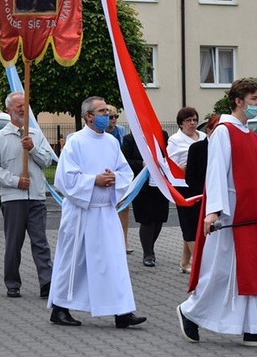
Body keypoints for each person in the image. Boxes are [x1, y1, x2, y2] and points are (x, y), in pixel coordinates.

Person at [177, 78, 257, 348]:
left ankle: (254, 327)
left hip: (253, 215)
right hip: (231, 216)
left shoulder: (253, 138)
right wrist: (214, 212)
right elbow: (216, 172)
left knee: (252, 269)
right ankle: (191, 311)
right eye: (255, 99)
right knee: (221, 272)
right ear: (239, 101)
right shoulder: (224, 131)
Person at [48, 96, 146, 329]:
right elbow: (64, 179)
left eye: (108, 112)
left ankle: (121, 311)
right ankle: (60, 309)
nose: (107, 116)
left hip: (105, 212)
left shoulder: (112, 143)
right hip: (81, 213)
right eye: (102, 112)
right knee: (74, 260)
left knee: (114, 261)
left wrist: (114, 180)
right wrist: (94, 181)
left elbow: (125, 172)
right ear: (88, 116)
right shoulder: (76, 142)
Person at [0, 92, 55, 298]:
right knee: (14, 243)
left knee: (40, 242)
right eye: (18, 106)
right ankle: (12, 283)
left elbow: (48, 161)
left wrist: (32, 149)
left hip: (36, 197)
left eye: (25, 105)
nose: (22, 109)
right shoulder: (0, 138)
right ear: (8, 111)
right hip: (13, 198)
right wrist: (15, 181)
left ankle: (47, 282)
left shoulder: (35, 134)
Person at [122, 129, 170, 267]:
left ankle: (150, 246)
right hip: (142, 185)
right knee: (147, 219)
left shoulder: (162, 135)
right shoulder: (130, 140)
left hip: (160, 183)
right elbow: (125, 161)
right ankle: (148, 253)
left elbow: (167, 154)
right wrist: (141, 164)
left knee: (159, 219)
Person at [167, 107, 207, 273]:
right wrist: (187, 167)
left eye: (195, 120)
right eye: (189, 120)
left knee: (196, 222)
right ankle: (201, 264)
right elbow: (169, 165)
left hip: (201, 184)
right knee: (189, 223)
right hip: (184, 187)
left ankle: (185, 262)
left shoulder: (203, 137)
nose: (192, 123)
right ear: (181, 123)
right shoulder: (175, 140)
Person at [104, 105, 131, 254]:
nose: (113, 120)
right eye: (110, 117)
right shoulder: (99, 132)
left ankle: (124, 241)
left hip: (118, 172)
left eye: (116, 117)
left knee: (124, 207)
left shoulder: (120, 131)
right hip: (104, 171)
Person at [184, 115, 220, 204]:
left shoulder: (228, 147)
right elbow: (190, 177)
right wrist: (204, 193)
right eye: (217, 128)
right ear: (209, 130)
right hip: (202, 197)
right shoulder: (197, 148)